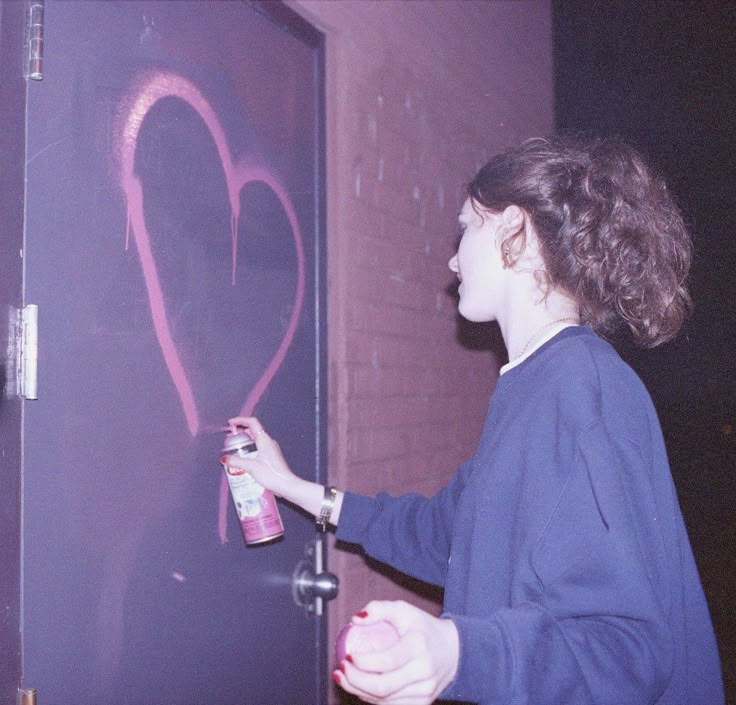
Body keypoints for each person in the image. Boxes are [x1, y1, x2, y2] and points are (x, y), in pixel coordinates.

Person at [226, 135, 724, 705]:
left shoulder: (584, 388)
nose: (453, 258)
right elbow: (447, 536)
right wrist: (292, 488)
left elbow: (625, 647)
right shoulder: (533, 384)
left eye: (466, 227)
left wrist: (457, 652)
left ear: (514, 231)